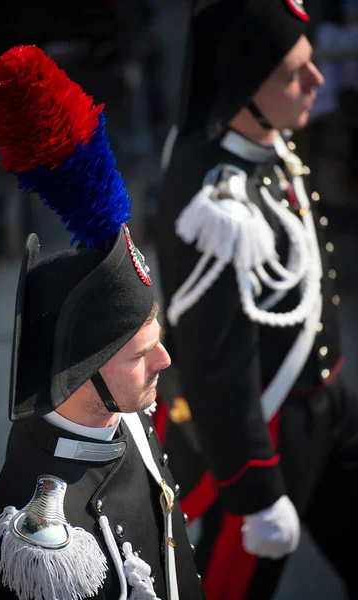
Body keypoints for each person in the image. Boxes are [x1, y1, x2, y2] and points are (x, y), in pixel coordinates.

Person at [0, 45, 205, 600]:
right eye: (140, 353)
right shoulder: (41, 536)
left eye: (157, 340)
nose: (165, 361)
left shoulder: (122, 418)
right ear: (80, 371)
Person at [155, 1, 358, 598]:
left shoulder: (266, 141)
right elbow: (216, 366)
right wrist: (255, 492)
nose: (316, 81)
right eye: (294, 73)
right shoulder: (212, 201)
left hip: (331, 404)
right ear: (242, 86)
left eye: (312, 63)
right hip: (266, 432)